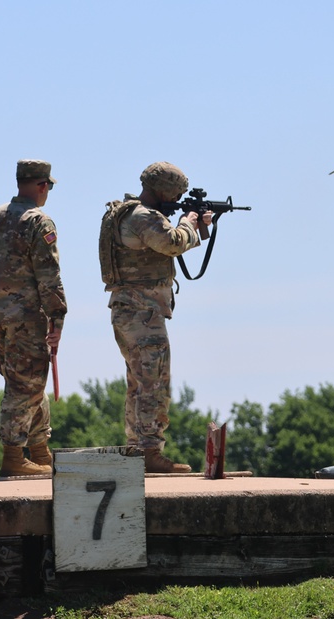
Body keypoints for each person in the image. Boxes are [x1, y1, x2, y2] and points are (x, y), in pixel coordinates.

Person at [99, 161, 213, 473]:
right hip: (141, 312)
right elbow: (172, 242)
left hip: (133, 311)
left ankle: (139, 448)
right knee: (153, 381)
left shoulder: (130, 213)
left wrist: (196, 225)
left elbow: (165, 244)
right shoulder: (141, 216)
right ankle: (149, 451)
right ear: (161, 190)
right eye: (173, 194)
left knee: (139, 381)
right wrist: (190, 222)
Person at [0, 159, 67, 477]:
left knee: (25, 383)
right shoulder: (38, 221)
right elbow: (49, 275)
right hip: (28, 316)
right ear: (42, 186)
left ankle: (39, 452)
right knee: (26, 386)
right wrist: (57, 317)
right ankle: (14, 456)